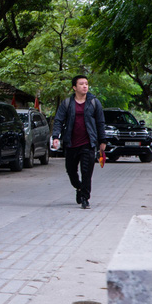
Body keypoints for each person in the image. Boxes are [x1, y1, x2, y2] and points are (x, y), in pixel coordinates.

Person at [51, 75, 107, 209]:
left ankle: (85, 198)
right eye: (81, 84)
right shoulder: (67, 103)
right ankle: (79, 187)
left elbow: (100, 122)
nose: (85, 86)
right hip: (71, 143)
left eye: (86, 84)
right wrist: (56, 137)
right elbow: (58, 120)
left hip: (88, 143)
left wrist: (102, 140)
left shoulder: (94, 102)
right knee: (71, 171)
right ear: (74, 87)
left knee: (87, 172)